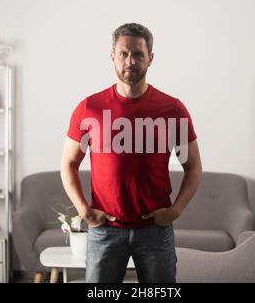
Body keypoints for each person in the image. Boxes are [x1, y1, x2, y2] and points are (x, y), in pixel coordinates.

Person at [60, 23, 202, 283]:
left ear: (150, 58)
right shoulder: (89, 108)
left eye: (138, 54)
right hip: (105, 231)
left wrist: (175, 211)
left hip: (155, 231)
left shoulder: (172, 109)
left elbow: (193, 167)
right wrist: (84, 210)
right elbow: (68, 163)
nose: (130, 61)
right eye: (124, 53)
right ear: (112, 56)